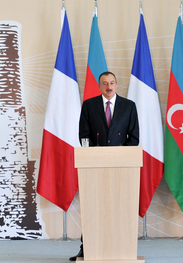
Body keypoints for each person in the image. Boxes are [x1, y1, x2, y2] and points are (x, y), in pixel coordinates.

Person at [69, 71, 139, 261]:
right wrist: (95, 155)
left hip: (122, 168)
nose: (109, 87)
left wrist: (120, 157)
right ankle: (87, 248)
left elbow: (134, 138)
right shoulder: (89, 105)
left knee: (120, 207)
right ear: (99, 86)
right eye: (105, 84)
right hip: (94, 167)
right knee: (93, 208)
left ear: (117, 84)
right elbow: (84, 134)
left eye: (112, 83)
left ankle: (123, 247)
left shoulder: (129, 106)